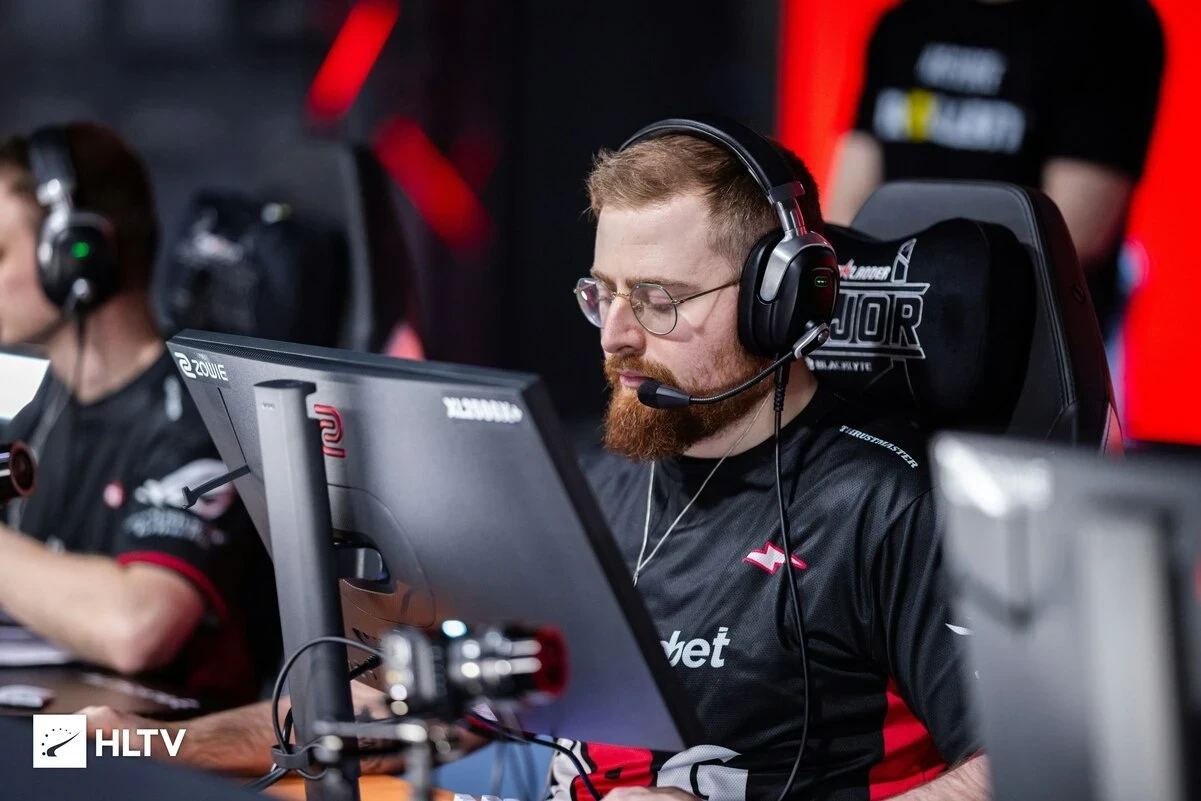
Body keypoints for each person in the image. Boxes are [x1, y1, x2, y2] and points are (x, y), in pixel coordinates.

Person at [82, 120, 985, 800]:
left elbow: (1016, 768)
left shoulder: (884, 502)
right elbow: (393, 706)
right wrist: (131, 743)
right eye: (604, 293)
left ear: (775, 301)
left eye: (659, 300)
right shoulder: (586, 479)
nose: (617, 336)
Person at [0, 122, 268, 703]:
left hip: (162, 747)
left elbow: (137, 628)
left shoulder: (201, 415)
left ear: (76, 256)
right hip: (51, 728)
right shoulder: (48, 408)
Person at [827, 0, 1164, 342]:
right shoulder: (902, 26)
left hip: (1033, 339)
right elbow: (846, 213)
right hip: (892, 330)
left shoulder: (1110, 26)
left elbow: (1072, 235)